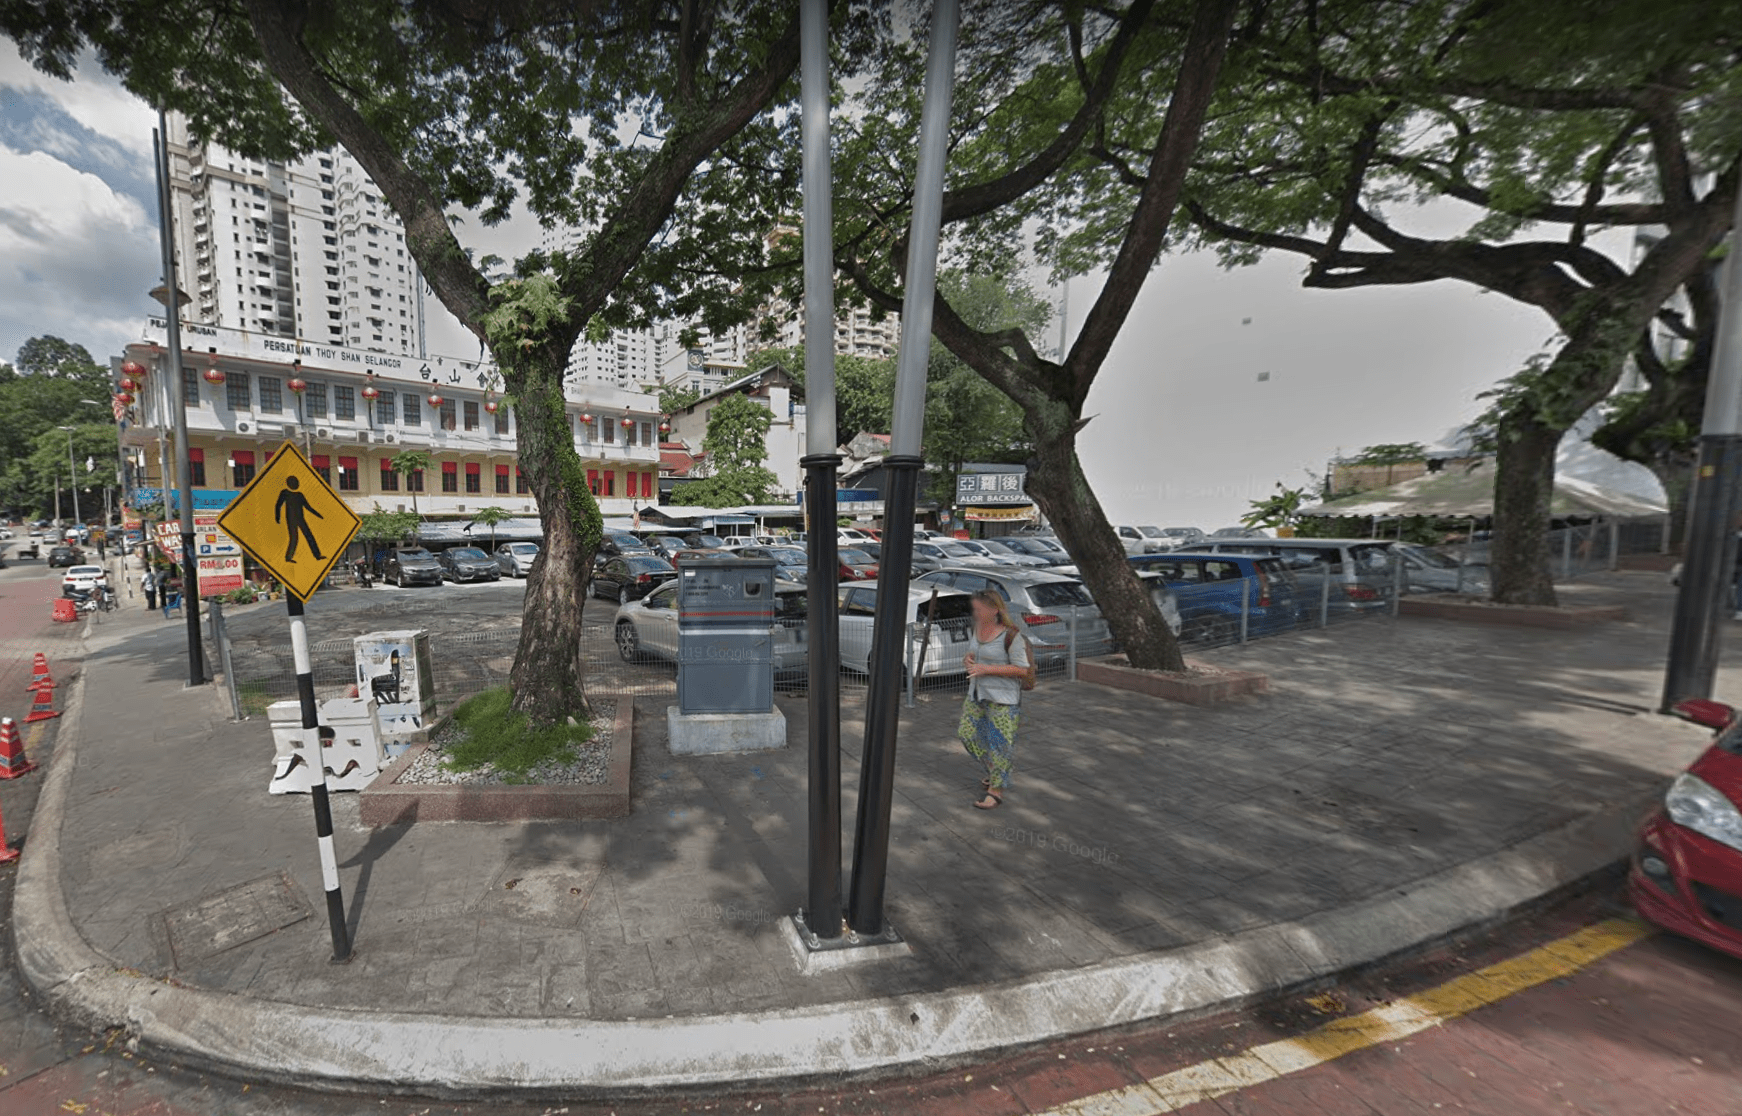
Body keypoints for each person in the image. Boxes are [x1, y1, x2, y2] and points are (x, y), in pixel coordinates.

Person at [958, 588, 1033, 810]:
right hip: (976, 694)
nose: (976, 613)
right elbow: (972, 654)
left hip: (1003, 700)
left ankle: (996, 791)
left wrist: (986, 668)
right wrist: (969, 660)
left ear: (995, 610)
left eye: (979, 609)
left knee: (999, 744)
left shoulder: (1011, 635)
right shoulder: (978, 629)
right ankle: (995, 771)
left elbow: (1022, 669)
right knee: (967, 735)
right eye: (975, 609)